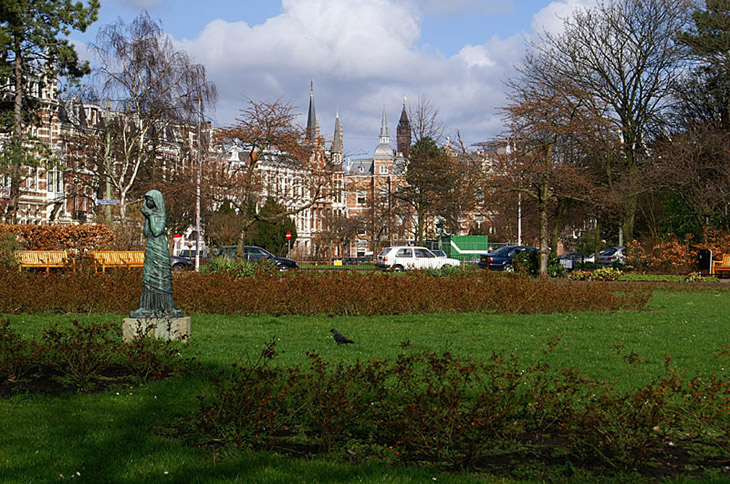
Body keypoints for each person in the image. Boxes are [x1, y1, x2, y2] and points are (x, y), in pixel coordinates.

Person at [130, 190, 183, 318]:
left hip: (159, 249)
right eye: (147, 200)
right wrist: (147, 218)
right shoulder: (151, 215)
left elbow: (157, 231)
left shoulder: (161, 215)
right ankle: (147, 307)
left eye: (150, 200)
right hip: (150, 248)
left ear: (156, 201)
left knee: (160, 278)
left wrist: (151, 216)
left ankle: (165, 308)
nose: (148, 202)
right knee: (148, 277)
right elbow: (146, 233)